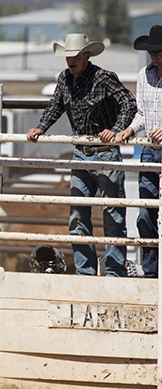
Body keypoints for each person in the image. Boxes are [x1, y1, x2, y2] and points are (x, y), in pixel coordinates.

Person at [26, 33, 137, 277]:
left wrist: (116, 130)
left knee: (113, 215)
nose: (71, 60)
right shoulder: (64, 79)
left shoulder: (104, 78)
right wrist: (41, 127)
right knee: (78, 215)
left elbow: (129, 102)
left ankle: (115, 271)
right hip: (81, 153)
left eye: (76, 56)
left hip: (106, 153)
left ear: (87, 55)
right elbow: (55, 105)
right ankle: (85, 271)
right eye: (68, 56)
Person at [115, 25, 162, 278]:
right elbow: (142, 114)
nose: (154, 54)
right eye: (151, 50)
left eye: (158, 50)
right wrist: (129, 130)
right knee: (145, 212)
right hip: (149, 150)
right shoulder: (144, 75)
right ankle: (151, 272)